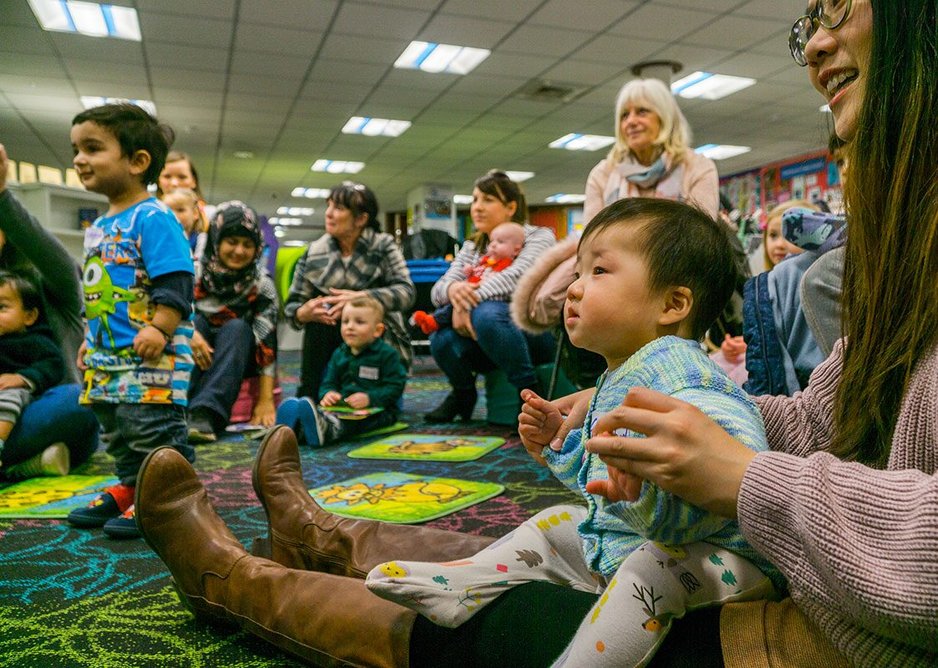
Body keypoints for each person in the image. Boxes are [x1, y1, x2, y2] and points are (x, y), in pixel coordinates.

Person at [135, 2, 938, 665]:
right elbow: (824, 422)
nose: (818, 42)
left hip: (838, 633)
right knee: (540, 539)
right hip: (827, 572)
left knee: (481, 617)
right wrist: (679, 419)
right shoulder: (909, 272)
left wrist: (742, 476)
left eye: (842, 7)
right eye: (808, 21)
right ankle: (317, 535)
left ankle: (229, 579)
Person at [366, 198, 781, 667]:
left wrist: (649, 491)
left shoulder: (684, 375)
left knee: (650, 571)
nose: (575, 289)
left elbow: (742, 462)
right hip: (642, 539)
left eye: (599, 271)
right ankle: (464, 585)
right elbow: (607, 485)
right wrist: (558, 449)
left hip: (726, 563)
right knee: (556, 523)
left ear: (673, 304)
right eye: (578, 273)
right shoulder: (622, 374)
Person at [65, 103, 195, 540]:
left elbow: (176, 278)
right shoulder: (99, 224)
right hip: (107, 353)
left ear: (138, 162)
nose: (79, 158)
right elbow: (95, 289)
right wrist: (89, 337)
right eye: (76, 149)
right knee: (116, 429)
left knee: (150, 428)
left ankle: (167, 494)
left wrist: (160, 326)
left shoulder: (154, 217)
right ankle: (130, 485)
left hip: (150, 355)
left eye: (93, 148)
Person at [0, 142, 99, 478]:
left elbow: (46, 251)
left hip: (46, 408)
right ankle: (23, 466)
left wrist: (3, 197)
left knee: (79, 400)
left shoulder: (48, 284)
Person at [426, 170, 556, 422]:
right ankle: (463, 394)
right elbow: (439, 289)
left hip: (534, 335)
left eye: (487, 200)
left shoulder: (538, 236)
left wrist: (464, 306)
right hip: (487, 339)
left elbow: (518, 279)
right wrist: (454, 291)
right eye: (475, 200)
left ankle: (529, 395)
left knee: (487, 312)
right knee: (440, 337)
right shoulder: (473, 245)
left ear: (510, 207)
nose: (477, 207)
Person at [283, 181, 414, 401]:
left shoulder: (382, 246)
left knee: (355, 317)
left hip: (376, 335)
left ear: (361, 219)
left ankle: (371, 395)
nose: (329, 214)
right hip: (329, 334)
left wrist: (363, 298)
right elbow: (291, 306)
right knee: (321, 321)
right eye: (329, 206)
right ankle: (309, 396)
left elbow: (407, 292)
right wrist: (303, 312)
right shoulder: (314, 251)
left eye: (339, 208)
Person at [187, 201, 280, 443]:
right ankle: (178, 407)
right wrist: (190, 333)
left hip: (238, 354)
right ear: (216, 240)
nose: (239, 251)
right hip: (193, 349)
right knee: (195, 321)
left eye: (247, 244)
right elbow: (173, 314)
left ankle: (204, 413)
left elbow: (267, 345)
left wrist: (265, 401)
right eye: (231, 241)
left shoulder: (262, 284)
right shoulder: (194, 273)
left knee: (237, 327)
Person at [584, 77, 720, 224]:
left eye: (642, 111)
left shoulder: (697, 167)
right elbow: (591, 241)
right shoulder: (602, 174)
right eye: (624, 115)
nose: (631, 121)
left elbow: (701, 235)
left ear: (665, 118)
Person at [277, 296, 406, 446]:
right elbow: (329, 382)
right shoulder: (340, 353)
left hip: (379, 410)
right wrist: (328, 393)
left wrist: (370, 398)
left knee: (356, 422)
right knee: (324, 412)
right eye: (345, 321)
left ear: (377, 330)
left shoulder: (387, 354)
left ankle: (329, 430)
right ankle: (297, 430)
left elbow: (396, 386)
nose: (350, 327)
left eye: (359, 322)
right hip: (344, 407)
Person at [0, 271, 66, 476]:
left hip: (20, 401)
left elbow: (53, 364)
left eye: (2, 307)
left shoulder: (35, 342)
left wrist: (22, 378)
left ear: (29, 316)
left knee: (9, 397)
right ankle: (22, 468)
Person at [411, 221, 525, 335]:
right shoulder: (486, 259)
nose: (493, 245)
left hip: (481, 300)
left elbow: (501, 281)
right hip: (469, 291)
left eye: (500, 242)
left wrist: (465, 298)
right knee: (444, 323)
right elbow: (475, 272)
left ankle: (433, 321)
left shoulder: (506, 264)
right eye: (492, 242)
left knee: (452, 311)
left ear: (516, 250)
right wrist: (469, 271)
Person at [157, 150, 210, 259]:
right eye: (167, 176)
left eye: (182, 177)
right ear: (158, 180)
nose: (174, 183)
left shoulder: (211, 215)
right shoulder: (147, 215)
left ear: (193, 181)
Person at [161, 187, 206, 272]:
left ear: (195, 213)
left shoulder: (201, 239)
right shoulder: (159, 239)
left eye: (180, 210)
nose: (173, 215)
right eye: (168, 210)